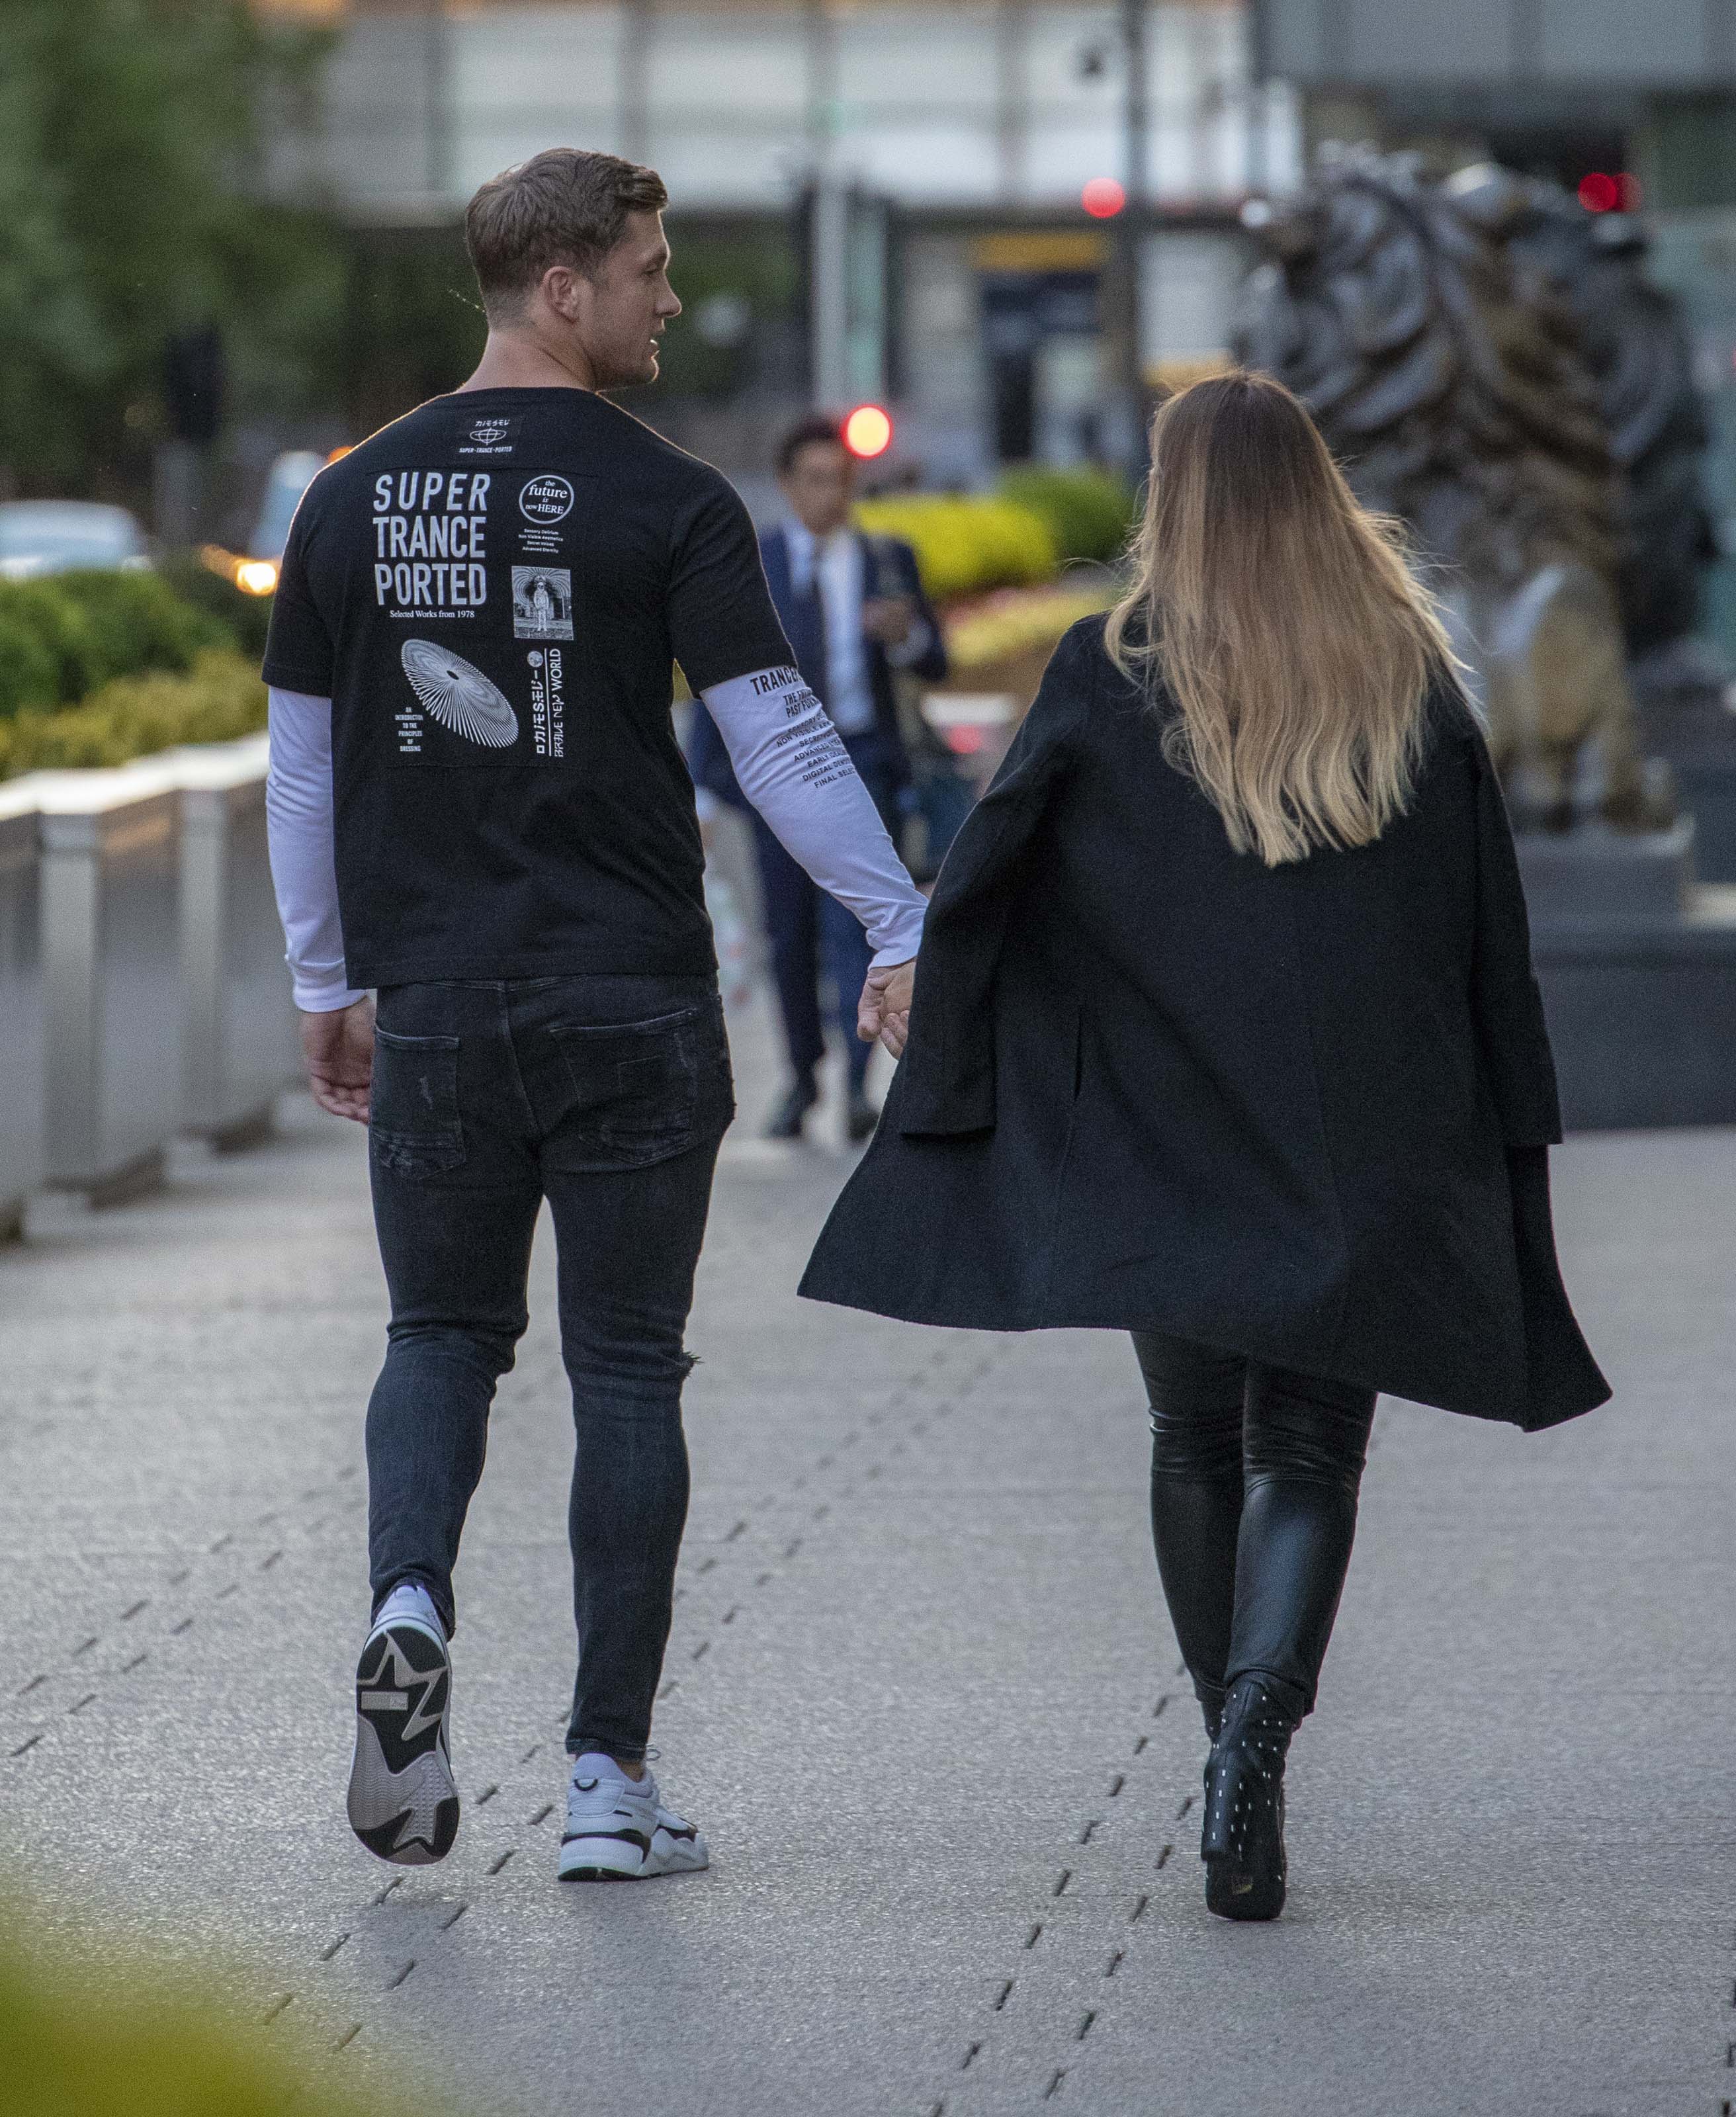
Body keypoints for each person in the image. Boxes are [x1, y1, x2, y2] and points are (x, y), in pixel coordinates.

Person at [801, 372, 1610, 1923]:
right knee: (1307, 1450)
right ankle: (1258, 1731)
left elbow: (994, 863)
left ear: (1170, 501)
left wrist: (927, 995)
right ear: (1314, 491)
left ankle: (1222, 1742)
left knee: (1192, 1439)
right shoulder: (1401, 674)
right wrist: (1506, 1116)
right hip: (1360, 1127)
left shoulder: (1109, 671)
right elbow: (1478, 919)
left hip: (1161, 1125)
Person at [261, 148, 928, 1883]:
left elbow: (303, 769)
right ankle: (607, 1785)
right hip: (631, 989)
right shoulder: (672, 499)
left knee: (437, 1335)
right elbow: (777, 734)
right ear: (563, 287)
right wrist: (897, 916)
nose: (671, 297)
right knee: (628, 1367)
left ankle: (409, 1604)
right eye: (649, 268)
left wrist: (327, 982)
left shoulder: (346, 499)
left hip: (437, 999)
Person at [687, 415, 947, 1142]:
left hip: (864, 760)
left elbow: (936, 659)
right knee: (789, 930)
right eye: (814, 479)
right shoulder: (755, 561)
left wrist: (906, 635)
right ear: (786, 483)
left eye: (841, 479)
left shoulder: (885, 559)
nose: (829, 493)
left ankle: (857, 1085)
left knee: (858, 924)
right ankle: (803, 1075)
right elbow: (718, 675)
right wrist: (702, 788)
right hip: (777, 773)